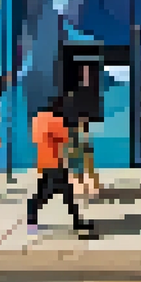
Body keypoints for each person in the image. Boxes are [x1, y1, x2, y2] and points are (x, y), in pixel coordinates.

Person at [27, 98, 94, 237]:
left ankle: (76, 221)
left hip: (44, 160)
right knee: (48, 193)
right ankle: (32, 217)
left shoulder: (38, 120)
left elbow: (37, 138)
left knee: (61, 192)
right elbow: (66, 138)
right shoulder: (55, 121)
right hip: (54, 162)